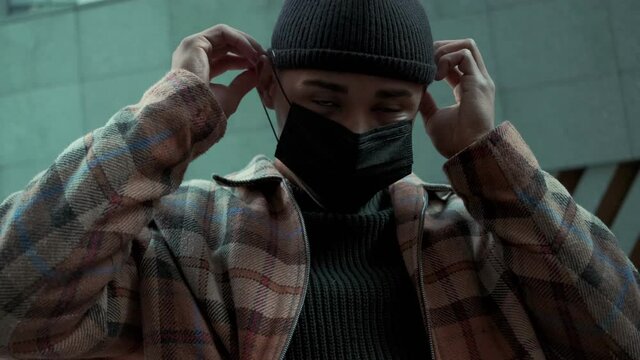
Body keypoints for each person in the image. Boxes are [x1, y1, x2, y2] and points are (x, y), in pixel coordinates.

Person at [1, 0, 638, 358]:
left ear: (421, 103)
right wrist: (167, 120)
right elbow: (13, 309)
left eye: (390, 107)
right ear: (270, 88)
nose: (358, 128)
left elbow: (621, 335)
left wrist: (491, 161)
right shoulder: (178, 236)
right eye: (326, 103)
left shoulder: (480, 241)